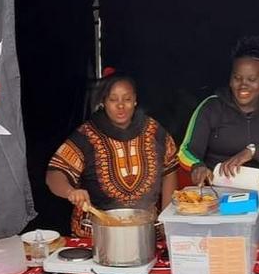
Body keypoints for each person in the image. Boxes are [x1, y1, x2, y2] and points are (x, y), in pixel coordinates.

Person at [178, 36, 259, 244]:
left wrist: (254, 151)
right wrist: (196, 166)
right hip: (219, 207)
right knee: (224, 264)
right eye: (237, 78)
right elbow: (186, 150)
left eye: (251, 79)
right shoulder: (211, 107)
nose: (243, 86)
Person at [47, 73, 179, 237]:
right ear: (103, 102)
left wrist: (166, 221)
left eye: (127, 99)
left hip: (146, 231)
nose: (121, 106)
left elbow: (170, 170)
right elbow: (54, 174)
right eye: (113, 99)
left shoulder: (155, 132)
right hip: (95, 233)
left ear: (135, 100)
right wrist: (70, 192)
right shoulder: (86, 135)